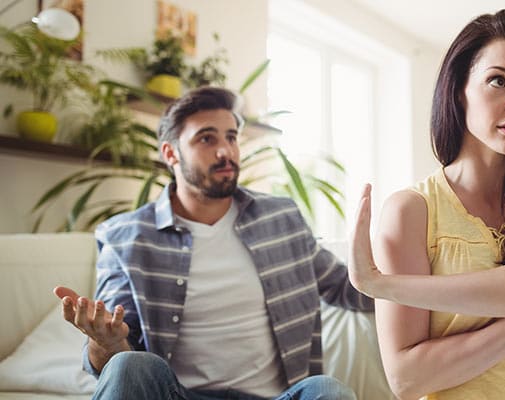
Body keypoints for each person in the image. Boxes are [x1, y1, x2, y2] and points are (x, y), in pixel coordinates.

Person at [347, 9, 505, 400]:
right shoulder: (412, 212)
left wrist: (381, 285)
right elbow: (407, 379)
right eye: (499, 81)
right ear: (458, 90)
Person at [53, 86, 373, 400]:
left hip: (277, 397)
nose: (226, 152)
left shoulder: (281, 219)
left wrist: (408, 272)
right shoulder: (125, 237)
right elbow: (116, 359)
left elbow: (346, 289)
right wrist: (104, 342)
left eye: (231, 137)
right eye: (207, 138)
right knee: (128, 365)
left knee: (329, 391)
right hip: (176, 395)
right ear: (170, 153)